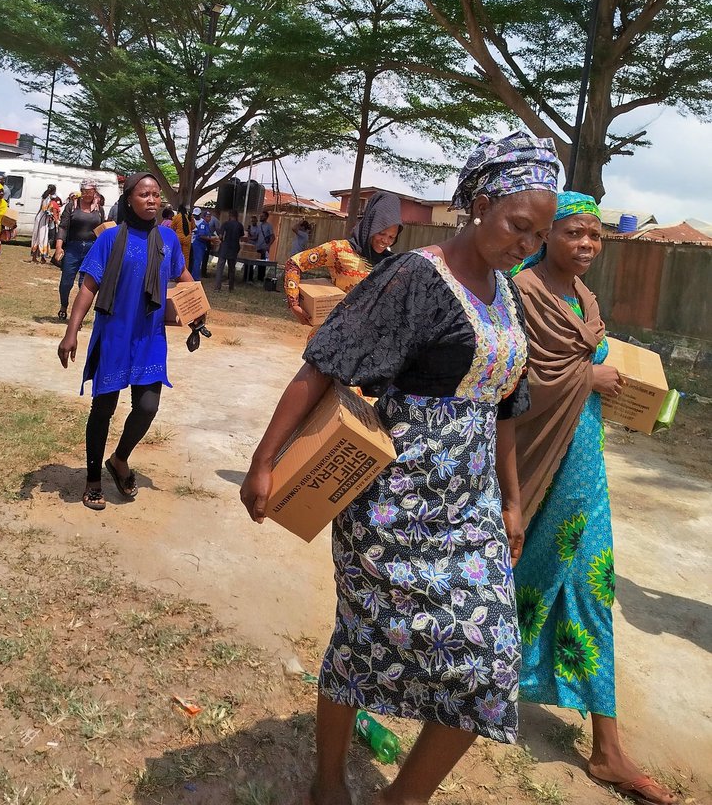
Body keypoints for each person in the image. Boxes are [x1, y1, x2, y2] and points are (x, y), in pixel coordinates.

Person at [240, 130, 559, 805]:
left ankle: (402, 797)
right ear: (478, 202)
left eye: (539, 236)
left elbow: (505, 407)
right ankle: (327, 781)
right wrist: (264, 461)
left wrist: (513, 498)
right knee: (365, 642)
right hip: (391, 496)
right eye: (517, 227)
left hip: (469, 504)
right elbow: (325, 363)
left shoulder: (505, 295)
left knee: (490, 660)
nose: (526, 244)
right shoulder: (415, 276)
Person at [512, 194, 675, 805]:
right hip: (536, 466)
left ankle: (607, 747)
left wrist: (607, 380)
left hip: (583, 468)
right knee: (516, 570)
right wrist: (589, 376)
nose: (586, 244)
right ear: (547, 233)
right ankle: (465, 685)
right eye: (575, 232)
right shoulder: (521, 293)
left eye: (596, 236)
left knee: (589, 586)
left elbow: (584, 361)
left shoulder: (585, 299)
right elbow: (507, 378)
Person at [57, 172, 195, 510]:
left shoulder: (167, 239)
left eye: (156, 195)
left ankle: (119, 459)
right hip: (115, 334)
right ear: (128, 198)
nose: (152, 200)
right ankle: (92, 479)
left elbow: (182, 275)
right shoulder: (110, 238)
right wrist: (71, 332)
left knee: (147, 407)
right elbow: (88, 286)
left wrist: (197, 307)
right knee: (103, 409)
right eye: (144, 194)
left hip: (150, 336)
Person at [283, 190, 402, 326]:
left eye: (392, 237)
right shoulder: (339, 249)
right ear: (370, 227)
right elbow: (294, 263)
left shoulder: (392, 263)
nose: (385, 241)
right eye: (381, 233)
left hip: (368, 342)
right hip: (331, 339)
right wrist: (293, 303)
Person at [55, 180, 104, 321]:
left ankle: (78, 317)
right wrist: (59, 247)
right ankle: (64, 306)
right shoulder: (72, 206)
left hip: (91, 249)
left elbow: (102, 229)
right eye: (84, 191)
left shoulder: (98, 208)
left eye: (89, 191)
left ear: (94, 191)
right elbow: (63, 227)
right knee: (66, 282)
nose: (86, 194)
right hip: (73, 247)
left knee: (85, 284)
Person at [214, 209, 245, 292]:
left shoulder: (225, 224)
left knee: (220, 268)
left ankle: (217, 287)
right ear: (236, 216)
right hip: (234, 248)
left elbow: (220, 236)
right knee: (232, 269)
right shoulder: (239, 225)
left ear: (230, 215)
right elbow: (241, 236)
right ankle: (231, 288)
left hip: (224, 248)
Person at [31, 184, 57, 263]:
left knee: (37, 237)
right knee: (42, 237)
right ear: (53, 191)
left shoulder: (44, 197)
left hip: (40, 219)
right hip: (42, 221)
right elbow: (45, 210)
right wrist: (51, 215)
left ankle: (36, 257)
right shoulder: (48, 198)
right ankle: (41, 257)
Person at [191, 209, 213, 279]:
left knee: (198, 261)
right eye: (207, 216)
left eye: (209, 216)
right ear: (204, 217)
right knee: (197, 261)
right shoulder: (202, 225)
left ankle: (195, 276)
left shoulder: (207, 224)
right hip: (198, 244)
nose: (208, 218)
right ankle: (195, 277)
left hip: (202, 245)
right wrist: (211, 239)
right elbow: (201, 235)